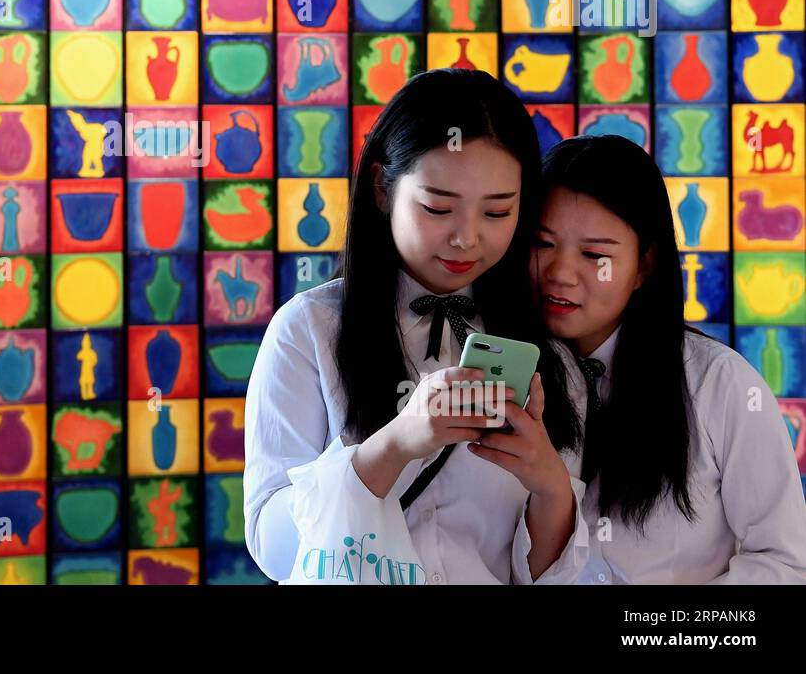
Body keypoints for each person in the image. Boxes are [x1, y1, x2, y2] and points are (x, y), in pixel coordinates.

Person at [244, 69, 587, 583]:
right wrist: (395, 445)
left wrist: (551, 487)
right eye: (438, 208)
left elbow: (548, 575)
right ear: (383, 188)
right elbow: (272, 548)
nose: (466, 239)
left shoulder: (543, 350)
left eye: (497, 213)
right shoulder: (308, 329)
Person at [533, 134, 806, 583]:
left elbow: (783, 560)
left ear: (643, 265)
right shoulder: (500, 372)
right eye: (542, 244)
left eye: (594, 255)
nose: (559, 273)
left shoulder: (720, 384)